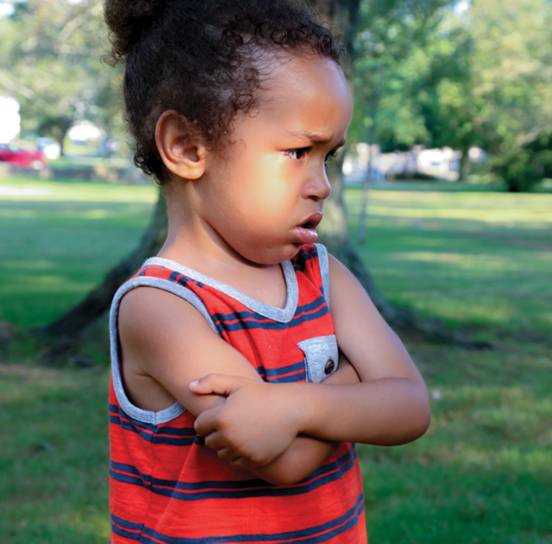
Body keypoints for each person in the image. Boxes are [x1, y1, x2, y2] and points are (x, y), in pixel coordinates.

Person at [104, 1, 431, 543]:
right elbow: (280, 458)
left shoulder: (320, 275)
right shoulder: (161, 306)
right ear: (186, 147)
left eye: (328, 156)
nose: (321, 183)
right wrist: (357, 383)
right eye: (298, 151)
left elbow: (410, 406)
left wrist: (293, 402)